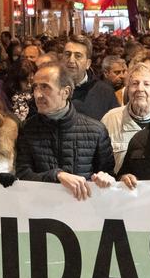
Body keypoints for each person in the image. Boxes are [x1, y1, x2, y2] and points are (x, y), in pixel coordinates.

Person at [14, 64, 115, 200]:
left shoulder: (96, 131)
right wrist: (57, 175)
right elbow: (23, 174)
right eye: (35, 87)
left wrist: (105, 178)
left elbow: (109, 174)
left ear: (65, 92)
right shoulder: (27, 128)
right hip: (40, 211)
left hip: (84, 210)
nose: (37, 94)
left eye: (45, 87)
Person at [100, 62, 150, 171]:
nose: (140, 89)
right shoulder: (110, 119)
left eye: (146, 84)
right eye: (135, 84)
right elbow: (100, 164)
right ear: (127, 89)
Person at [63, 35, 118, 121]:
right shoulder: (50, 88)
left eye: (78, 56)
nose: (71, 60)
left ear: (88, 63)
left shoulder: (105, 92)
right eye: (67, 54)